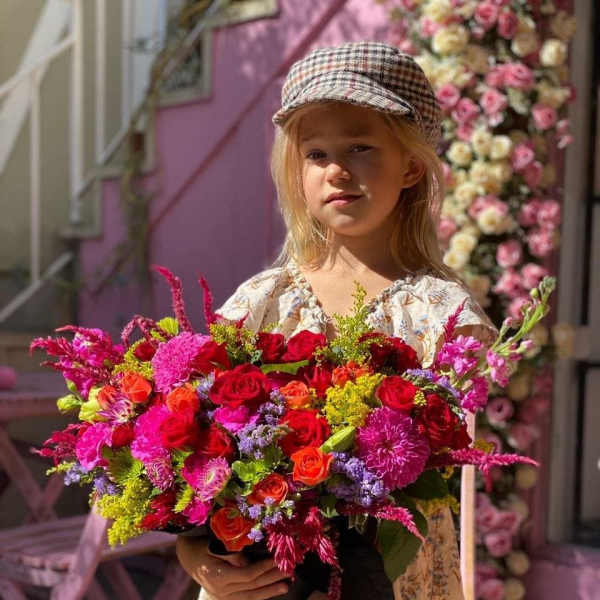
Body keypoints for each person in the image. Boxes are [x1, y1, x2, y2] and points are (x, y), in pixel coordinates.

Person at [176, 41, 496, 600]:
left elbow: (438, 477)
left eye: (360, 147)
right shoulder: (259, 304)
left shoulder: (442, 316)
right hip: (259, 585)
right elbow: (198, 470)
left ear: (412, 166)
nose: (337, 171)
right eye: (316, 153)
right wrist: (199, 560)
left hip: (392, 580)